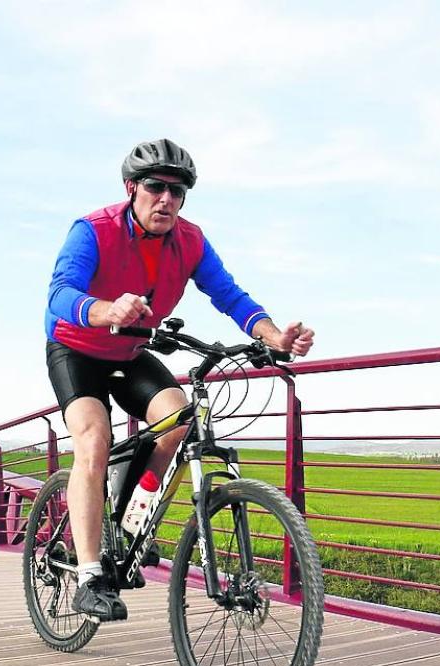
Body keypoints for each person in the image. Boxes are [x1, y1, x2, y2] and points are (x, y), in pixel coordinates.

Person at [45, 138, 314, 621]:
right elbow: (60, 295)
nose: (167, 199)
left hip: (129, 350)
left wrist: (274, 336)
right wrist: (108, 309)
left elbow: (229, 295)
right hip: (77, 349)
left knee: (179, 420)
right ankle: (88, 575)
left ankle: (129, 522)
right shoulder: (94, 230)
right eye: (156, 187)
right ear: (132, 188)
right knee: (94, 438)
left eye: (178, 191)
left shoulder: (189, 241)